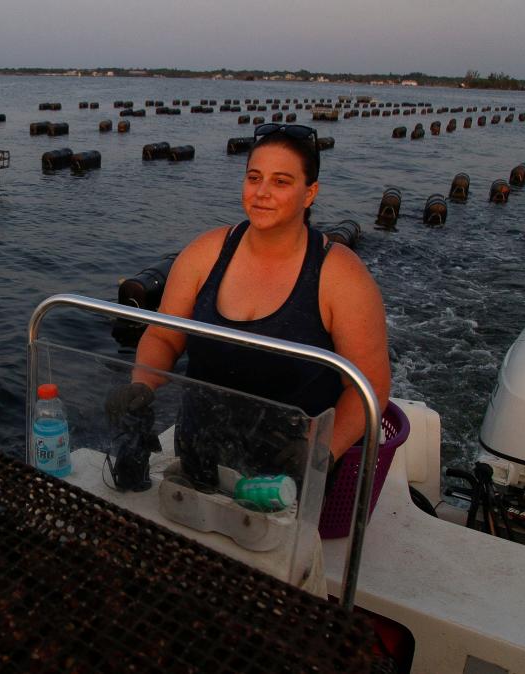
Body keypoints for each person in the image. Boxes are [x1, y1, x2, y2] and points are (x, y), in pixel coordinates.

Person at [106, 123, 391, 487]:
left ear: (310, 193)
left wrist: (320, 452)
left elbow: (370, 387)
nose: (262, 193)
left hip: (287, 477)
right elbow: (164, 337)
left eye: (281, 182)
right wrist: (141, 385)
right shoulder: (204, 253)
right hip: (201, 458)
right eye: (254, 177)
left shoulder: (341, 276)